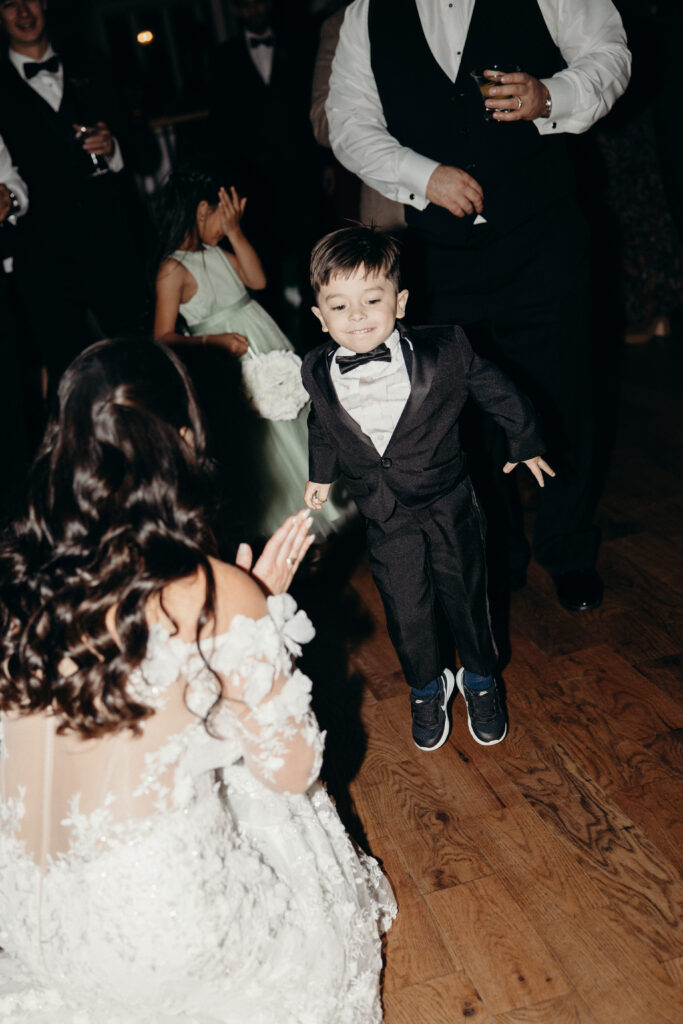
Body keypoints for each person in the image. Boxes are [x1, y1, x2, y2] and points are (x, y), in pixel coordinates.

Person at [0, 337, 396, 1023]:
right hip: (163, 942)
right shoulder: (210, 589)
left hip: (33, 927)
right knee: (283, 803)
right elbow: (291, 768)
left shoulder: (20, 577)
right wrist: (259, 618)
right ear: (183, 438)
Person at [325, 0, 632, 612]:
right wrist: (422, 175)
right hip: (440, 260)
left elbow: (610, 56)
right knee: (459, 416)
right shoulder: (367, 14)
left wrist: (552, 95)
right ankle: (498, 560)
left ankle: (567, 548)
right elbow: (348, 123)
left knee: (563, 397)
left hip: (545, 239)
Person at [302, 226, 553, 751]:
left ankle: (481, 680)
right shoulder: (316, 369)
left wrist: (524, 440)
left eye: (372, 299)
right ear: (319, 316)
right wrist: (320, 474)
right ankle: (425, 686)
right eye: (340, 306)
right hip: (384, 514)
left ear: (401, 301)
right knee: (405, 608)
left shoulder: (447, 349)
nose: (359, 316)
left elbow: (496, 390)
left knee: (467, 594)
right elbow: (323, 425)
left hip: (448, 502)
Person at [154, 169, 346, 541]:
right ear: (201, 210)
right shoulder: (172, 268)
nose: (231, 218)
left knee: (291, 420)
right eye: (224, 212)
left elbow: (258, 282)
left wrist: (235, 232)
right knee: (261, 436)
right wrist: (215, 343)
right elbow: (163, 337)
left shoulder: (220, 250)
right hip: (224, 356)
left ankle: (324, 499)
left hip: (262, 337)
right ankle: (285, 518)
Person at [0, 0, 146, 396]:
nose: (23, 12)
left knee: (138, 360)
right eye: (9, 4)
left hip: (113, 242)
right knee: (68, 376)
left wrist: (114, 147)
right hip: (43, 257)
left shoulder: (94, 65)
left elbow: (142, 144)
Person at [207, 0, 323, 328]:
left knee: (311, 263)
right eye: (243, 5)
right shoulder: (221, 58)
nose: (251, 10)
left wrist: (324, 163)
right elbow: (219, 130)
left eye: (257, 2)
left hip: (301, 176)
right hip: (251, 185)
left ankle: (320, 342)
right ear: (235, 11)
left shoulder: (301, 45)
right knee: (263, 270)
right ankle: (278, 345)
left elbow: (316, 107)